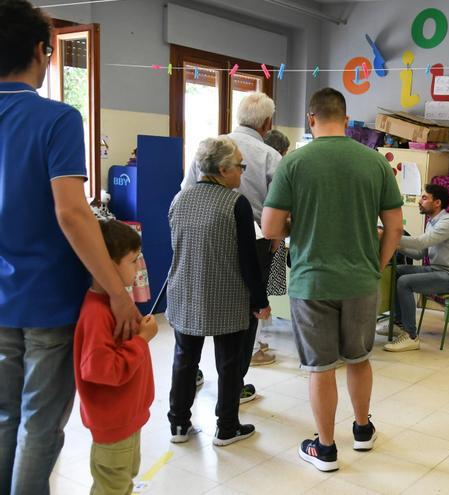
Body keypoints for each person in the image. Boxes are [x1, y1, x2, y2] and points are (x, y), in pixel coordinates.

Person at [0, 2, 141, 493]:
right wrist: (117, 293)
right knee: (40, 421)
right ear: (42, 52)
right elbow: (72, 212)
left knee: (4, 417)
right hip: (47, 302)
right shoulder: (56, 117)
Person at [262, 87, 403, 472]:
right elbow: (395, 226)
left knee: (320, 367)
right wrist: (378, 263)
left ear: (311, 119)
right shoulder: (374, 162)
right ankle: (362, 431)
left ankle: (324, 449)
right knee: (359, 359)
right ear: (345, 118)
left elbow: (271, 226)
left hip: (312, 282)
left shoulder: (294, 163)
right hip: (361, 279)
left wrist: (301, 222)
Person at [166, 136, 270, 447]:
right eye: (240, 166)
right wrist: (259, 300)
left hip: (184, 291)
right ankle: (226, 427)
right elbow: (248, 260)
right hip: (227, 295)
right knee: (229, 364)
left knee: (184, 359)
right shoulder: (235, 204)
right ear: (223, 170)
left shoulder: (179, 199)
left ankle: (179, 425)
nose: (242, 172)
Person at [181, 92, 281, 396]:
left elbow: (187, 190)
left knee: (198, 303)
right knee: (246, 313)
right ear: (267, 123)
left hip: (207, 238)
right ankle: (233, 385)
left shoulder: (208, 148)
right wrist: (276, 237)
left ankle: (191, 374)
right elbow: (280, 207)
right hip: (256, 240)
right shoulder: (270, 156)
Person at [74, 220, 158, 495]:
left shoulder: (117, 304)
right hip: (113, 422)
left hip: (128, 416)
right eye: (133, 261)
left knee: (124, 481)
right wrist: (141, 340)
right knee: (111, 486)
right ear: (106, 265)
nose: (138, 268)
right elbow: (102, 370)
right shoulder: (97, 314)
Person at [381, 184, 449, 352]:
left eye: (424, 198)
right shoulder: (431, 223)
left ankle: (411, 336)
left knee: (405, 282)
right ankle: (399, 323)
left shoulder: (448, 222)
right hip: (437, 270)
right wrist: (396, 246)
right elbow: (420, 254)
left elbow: (421, 242)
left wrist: (390, 235)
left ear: (437, 203)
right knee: (396, 271)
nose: (419, 201)